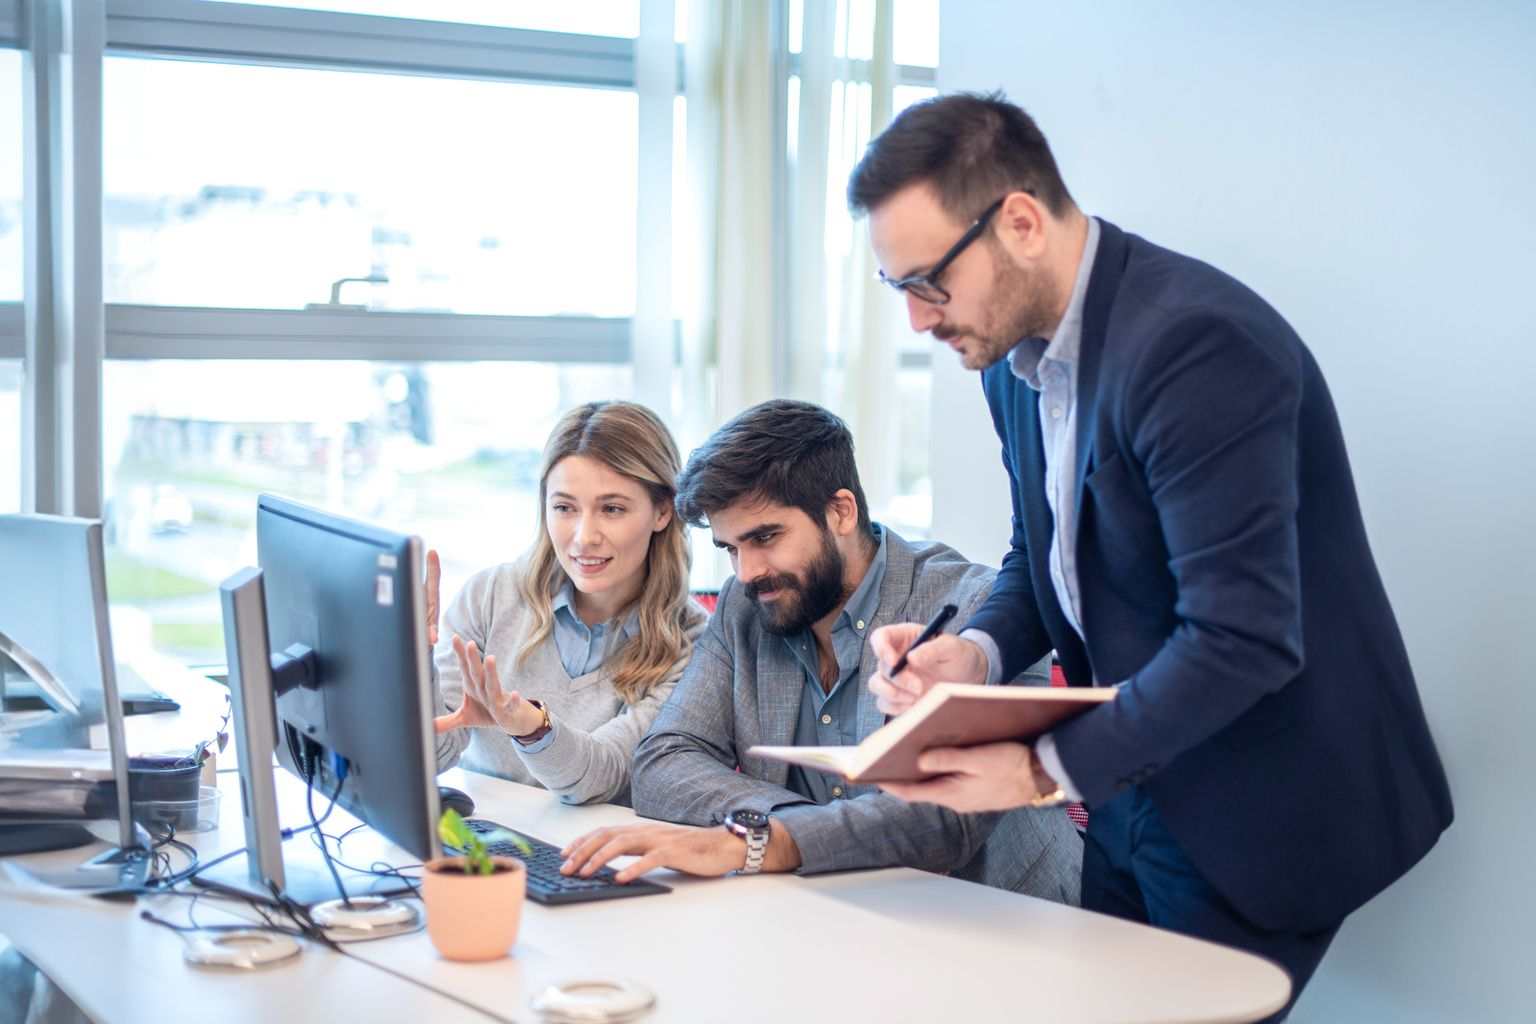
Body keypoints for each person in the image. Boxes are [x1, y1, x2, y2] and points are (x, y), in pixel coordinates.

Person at [849, 92, 1452, 1018]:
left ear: (1018, 221)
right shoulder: (1013, 356)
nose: (921, 323)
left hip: (1261, 798)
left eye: (929, 283)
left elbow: (1243, 637)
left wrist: (1039, 770)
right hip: (1133, 792)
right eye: (903, 292)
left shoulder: (1195, 347)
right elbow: (1040, 553)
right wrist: (973, 654)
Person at [558, 400, 1083, 903]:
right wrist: (799, 828)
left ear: (840, 511)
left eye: (765, 537)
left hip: (1005, 925)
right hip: (822, 911)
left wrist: (771, 841)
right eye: (731, 548)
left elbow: (945, 819)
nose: (746, 572)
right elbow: (663, 762)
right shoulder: (747, 609)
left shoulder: (976, 610)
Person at [431, 401, 707, 806]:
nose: (583, 537)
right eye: (564, 508)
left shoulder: (692, 642)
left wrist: (528, 726)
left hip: (588, 855)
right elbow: (434, 757)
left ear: (663, 510)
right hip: (481, 848)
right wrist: (414, 666)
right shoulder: (489, 596)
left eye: (611, 509)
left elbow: (602, 775)